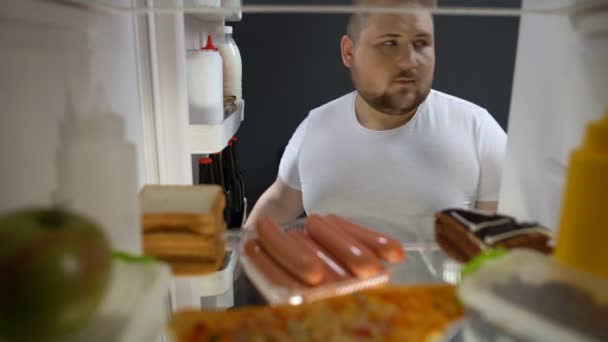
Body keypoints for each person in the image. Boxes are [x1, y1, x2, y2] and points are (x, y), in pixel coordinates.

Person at [245, 0, 507, 241]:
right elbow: (279, 203)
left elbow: (504, 243)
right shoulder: (316, 127)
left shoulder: (478, 130)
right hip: (334, 292)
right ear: (349, 52)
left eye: (421, 43)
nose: (409, 60)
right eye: (390, 43)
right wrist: (231, 269)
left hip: (437, 292)